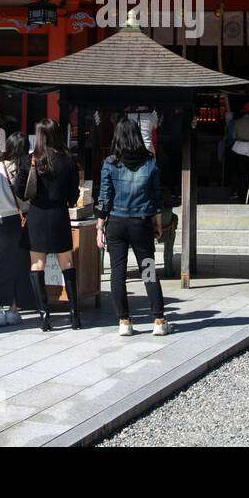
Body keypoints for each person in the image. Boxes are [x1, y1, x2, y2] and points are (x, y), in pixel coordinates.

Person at [97, 117, 170, 337]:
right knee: (148, 270)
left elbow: (104, 197)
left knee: (117, 273)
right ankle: (158, 319)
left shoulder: (110, 163)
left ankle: (124, 321)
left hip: (116, 224)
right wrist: (157, 223)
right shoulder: (149, 161)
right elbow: (155, 197)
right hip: (141, 223)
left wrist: (100, 226)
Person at [22, 118, 83, 331]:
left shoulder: (31, 160)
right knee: (67, 261)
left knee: (37, 264)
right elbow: (74, 194)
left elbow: (21, 189)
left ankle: (44, 314)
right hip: (59, 214)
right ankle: (74, 314)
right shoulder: (68, 160)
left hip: (37, 215)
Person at [0, 132, 32, 328]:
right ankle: (14, 308)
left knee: (0, 264)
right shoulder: (25, 169)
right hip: (21, 219)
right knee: (20, 264)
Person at [229, 101, 249, 202]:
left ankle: (239, 193)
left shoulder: (237, 122)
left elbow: (233, 136)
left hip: (238, 148)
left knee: (239, 172)